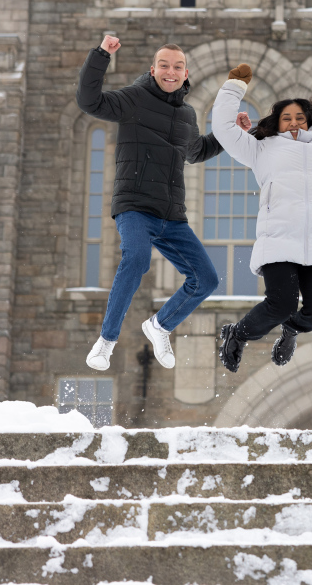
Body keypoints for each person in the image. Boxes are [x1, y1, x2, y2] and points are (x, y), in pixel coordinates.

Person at [209, 61, 312, 371]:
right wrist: (234, 88)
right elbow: (224, 129)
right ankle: (238, 334)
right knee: (280, 304)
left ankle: (290, 331)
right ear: (277, 122)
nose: (294, 122)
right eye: (287, 118)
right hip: (280, 240)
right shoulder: (261, 149)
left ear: (310, 120)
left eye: (300, 117)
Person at [77, 35, 224, 371]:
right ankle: (106, 342)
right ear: (153, 69)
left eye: (177, 67)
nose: (170, 72)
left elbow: (196, 151)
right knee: (137, 259)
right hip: (135, 206)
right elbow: (89, 101)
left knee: (206, 278)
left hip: (171, 215)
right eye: (164, 65)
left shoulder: (187, 114)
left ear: (186, 73)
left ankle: (159, 326)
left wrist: (227, 136)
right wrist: (102, 55)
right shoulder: (134, 99)